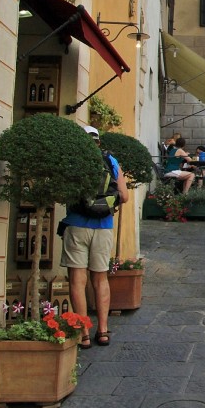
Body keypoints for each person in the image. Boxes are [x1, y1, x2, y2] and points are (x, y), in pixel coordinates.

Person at [60, 125, 128, 349]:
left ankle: (83, 334)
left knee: (77, 282)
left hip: (76, 225)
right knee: (100, 280)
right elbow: (124, 196)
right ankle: (103, 330)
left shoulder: (71, 160)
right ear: (98, 141)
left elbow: (63, 194)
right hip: (103, 226)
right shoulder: (111, 161)